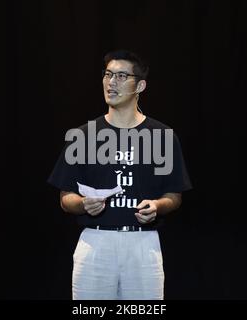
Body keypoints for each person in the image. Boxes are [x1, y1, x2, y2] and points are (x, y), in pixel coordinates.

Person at [47, 50, 192, 300]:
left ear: (140, 85)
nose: (111, 82)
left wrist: (157, 205)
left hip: (143, 244)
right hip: (95, 243)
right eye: (108, 74)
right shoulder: (83, 136)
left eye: (121, 76)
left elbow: (174, 195)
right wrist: (82, 204)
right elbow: (65, 197)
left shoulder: (163, 137)